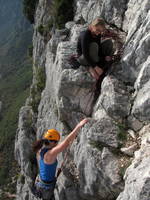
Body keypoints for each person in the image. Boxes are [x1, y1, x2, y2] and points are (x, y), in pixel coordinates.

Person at [32, 118, 88, 200]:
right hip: (45, 189)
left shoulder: (41, 149)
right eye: (57, 142)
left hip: (41, 183)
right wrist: (79, 126)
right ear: (53, 142)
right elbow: (66, 142)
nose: (57, 144)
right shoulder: (50, 154)